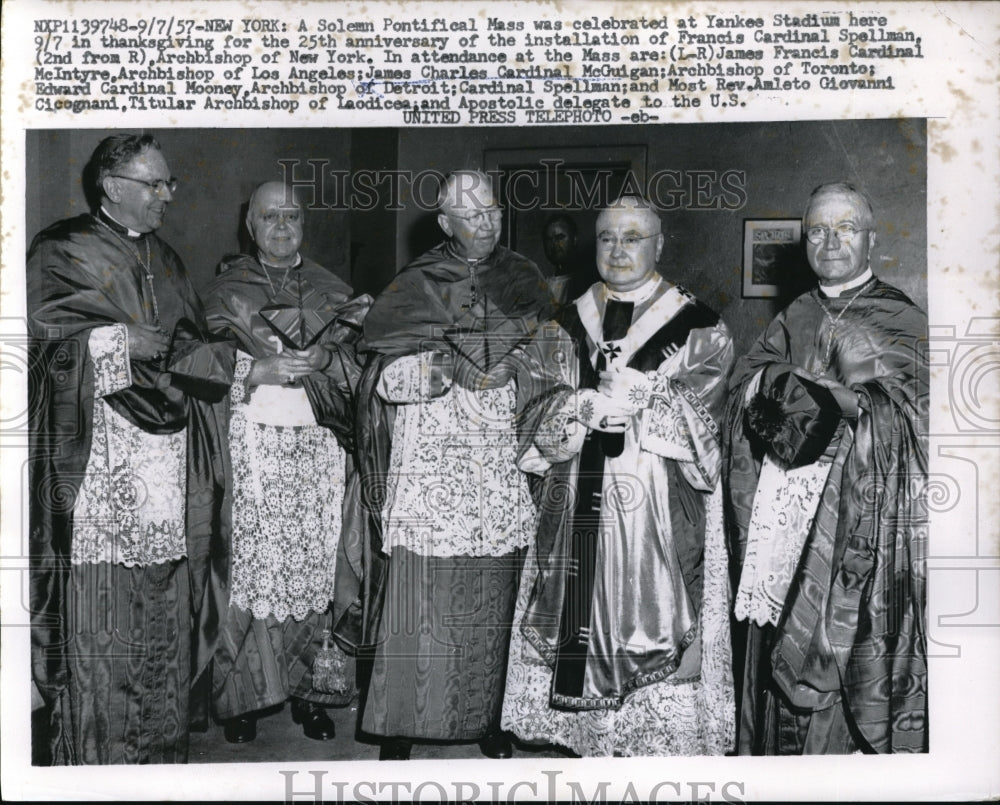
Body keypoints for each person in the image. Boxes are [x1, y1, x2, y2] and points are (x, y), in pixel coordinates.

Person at [500, 196, 736, 756]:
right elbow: (532, 412)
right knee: (573, 614)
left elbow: (709, 429)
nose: (619, 250)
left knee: (649, 622)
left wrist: (647, 398)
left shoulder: (701, 326)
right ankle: (586, 743)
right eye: (607, 237)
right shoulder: (562, 323)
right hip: (574, 503)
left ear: (660, 244)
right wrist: (579, 406)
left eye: (634, 238)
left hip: (654, 513)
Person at [27, 134, 231, 764]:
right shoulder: (62, 249)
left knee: (165, 598)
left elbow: (189, 344)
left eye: (169, 183)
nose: (169, 194)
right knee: (105, 608)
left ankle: (161, 753)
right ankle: (97, 758)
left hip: (166, 466)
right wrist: (115, 343)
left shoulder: (167, 259)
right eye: (157, 183)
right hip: (101, 461)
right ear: (115, 186)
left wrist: (242, 362)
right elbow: (39, 346)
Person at [355, 170, 555, 760]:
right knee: (421, 586)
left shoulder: (522, 274)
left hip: (497, 444)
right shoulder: (418, 280)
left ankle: (487, 716)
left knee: (494, 584)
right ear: (444, 223)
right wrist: (444, 366)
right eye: (472, 215)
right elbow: (379, 375)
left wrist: (517, 366)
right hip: (435, 447)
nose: (488, 223)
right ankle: (401, 722)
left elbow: (552, 350)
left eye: (493, 211)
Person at [723, 182, 928, 754]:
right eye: (818, 229)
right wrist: (768, 384)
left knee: (831, 652)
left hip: (852, 513)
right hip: (780, 513)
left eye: (845, 228)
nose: (830, 241)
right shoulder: (796, 312)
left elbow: (922, 419)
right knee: (772, 643)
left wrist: (848, 403)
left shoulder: (902, 318)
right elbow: (744, 383)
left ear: (871, 239)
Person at [203, 182, 371, 743]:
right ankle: (242, 698)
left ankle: (313, 693)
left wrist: (326, 357)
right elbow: (195, 364)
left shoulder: (331, 288)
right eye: (270, 216)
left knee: (317, 568)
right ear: (249, 225)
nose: (282, 226)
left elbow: (362, 365)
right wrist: (252, 372)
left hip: (319, 448)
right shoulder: (225, 290)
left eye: (292, 216)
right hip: (253, 445)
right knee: (250, 569)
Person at [541, 213, 579, 304]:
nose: (554, 244)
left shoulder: (587, 283)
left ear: (574, 240)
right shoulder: (542, 287)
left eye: (560, 237)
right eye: (549, 239)